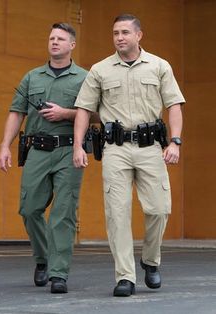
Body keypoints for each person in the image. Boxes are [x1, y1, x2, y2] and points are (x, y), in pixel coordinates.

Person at [73, 14, 185, 297]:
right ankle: (125, 276)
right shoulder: (100, 70)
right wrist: (77, 146)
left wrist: (175, 142)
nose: (119, 37)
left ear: (139, 35)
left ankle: (150, 260)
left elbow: (174, 105)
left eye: (125, 32)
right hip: (116, 150)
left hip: (150, 148)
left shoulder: (159, 66)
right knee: (117, 214)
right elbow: (84, 110)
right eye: (115, 33)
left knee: (160, 209)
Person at [0, 23, 87, 294]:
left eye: (61, 39)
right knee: (29, 209)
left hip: (68, 150)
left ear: (72, 44)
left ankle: (58, 273)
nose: (55, 42)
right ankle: (43, 258)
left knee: (63, 213)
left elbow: (96, 115)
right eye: (51, 38)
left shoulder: (84, 78)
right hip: (37, 150)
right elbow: (16, 112)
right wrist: (5, 146)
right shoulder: (32, 77)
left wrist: (66, 114)